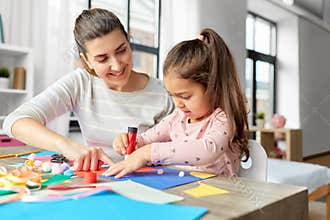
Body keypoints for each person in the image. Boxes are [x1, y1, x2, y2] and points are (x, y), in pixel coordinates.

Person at [3, 8, 173, 171]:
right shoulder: (81, 83)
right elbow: (15, 121)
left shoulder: (164, 94)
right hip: (96, 184)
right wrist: (67, 146)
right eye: (102, 58)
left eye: (122, 50)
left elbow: (180, 150)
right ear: (87, 60)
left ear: (129, 43)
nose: (116, 65)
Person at [103, 28, 249, 178]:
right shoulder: (177, 118)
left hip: (221, 195)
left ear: (214, 87)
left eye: (185, 96)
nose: (178, 104)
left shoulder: (222, 119)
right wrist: (131, 143)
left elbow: (207, 150)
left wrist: (148, 152)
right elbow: (146, 139)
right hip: (182, 189)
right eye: (172, 95)